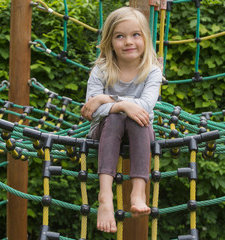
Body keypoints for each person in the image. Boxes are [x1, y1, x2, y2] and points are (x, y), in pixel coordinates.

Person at [80, 6, 162, 233]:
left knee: (135, 117)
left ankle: (138, 190)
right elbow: (90, 110)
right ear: (109, 42)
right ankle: (105, 196)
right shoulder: (101, 70)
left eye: (136, 35)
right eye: (120, 36)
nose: (128, 41)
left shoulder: (152, 71)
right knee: (116, 117)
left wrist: (107, 100)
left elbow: (145, 106)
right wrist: (121, 105)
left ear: (145, 38)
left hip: (141, 130)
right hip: (105, 131)